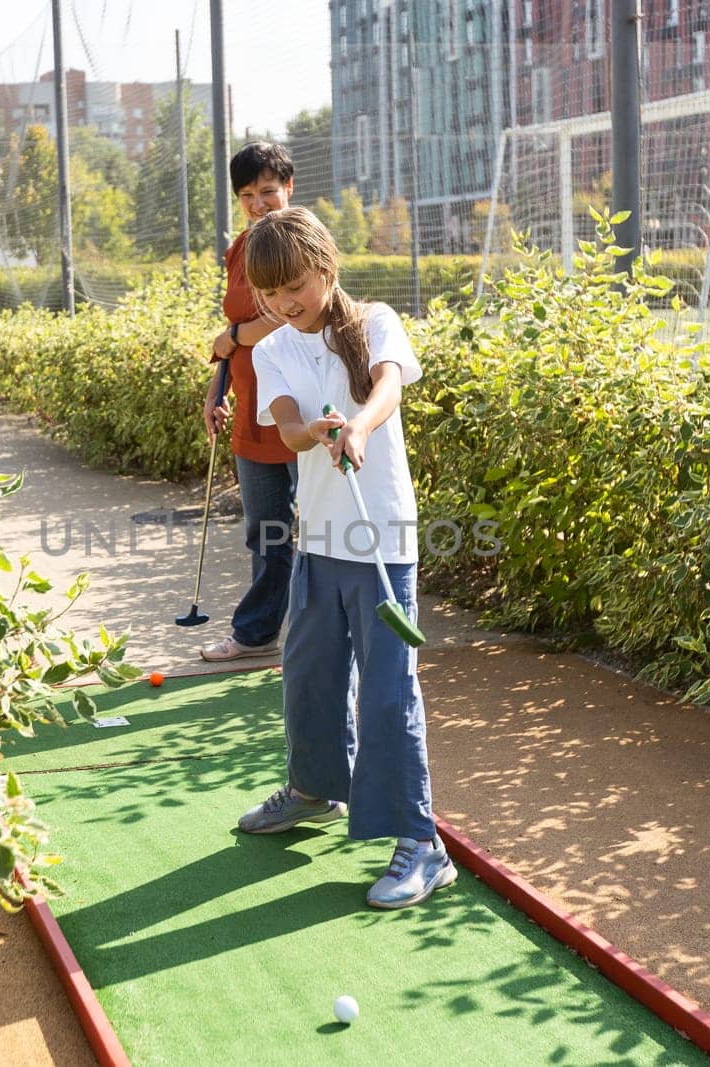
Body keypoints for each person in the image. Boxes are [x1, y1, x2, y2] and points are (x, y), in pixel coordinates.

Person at [236, 206, 455, 910]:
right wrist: (317, 432)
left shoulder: (376, 321)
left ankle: (423, 844)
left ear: (325, 269)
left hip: (382, 537)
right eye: (269, 295)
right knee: (309, 674)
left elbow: (388, 385)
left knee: (389, 690)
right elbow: (290, 424)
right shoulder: (274, 348)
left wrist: (358, 423)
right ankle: (314, 790)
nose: (282, 304)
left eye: (293, 286)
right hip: (317, 539)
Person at [198, 141, 301, 664]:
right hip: (250, 407)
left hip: (299, 408)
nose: (258, 203)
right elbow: (233, 331)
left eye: (267, 191)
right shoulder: (240, 248)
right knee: (266, 534)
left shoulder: (301, 241)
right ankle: (258, 633)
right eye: (246, 195)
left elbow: (288, 315)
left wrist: (234, 335)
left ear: (289, 188)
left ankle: (321, 632)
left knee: (325, 531)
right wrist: (218, 391)